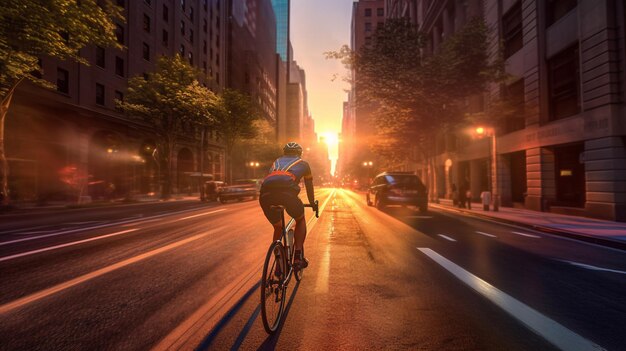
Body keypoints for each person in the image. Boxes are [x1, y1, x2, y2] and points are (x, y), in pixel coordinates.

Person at [259, 142, 317, 270]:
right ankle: (297, 257)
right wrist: (312, 203)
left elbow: (272, 180)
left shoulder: (276, 162)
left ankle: (279, 261)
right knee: (300, 219)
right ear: (299, 153)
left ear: (284, 153)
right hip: (287, 195)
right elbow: (309, 186)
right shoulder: (304, 164)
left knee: (278, 228)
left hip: (265, 196)